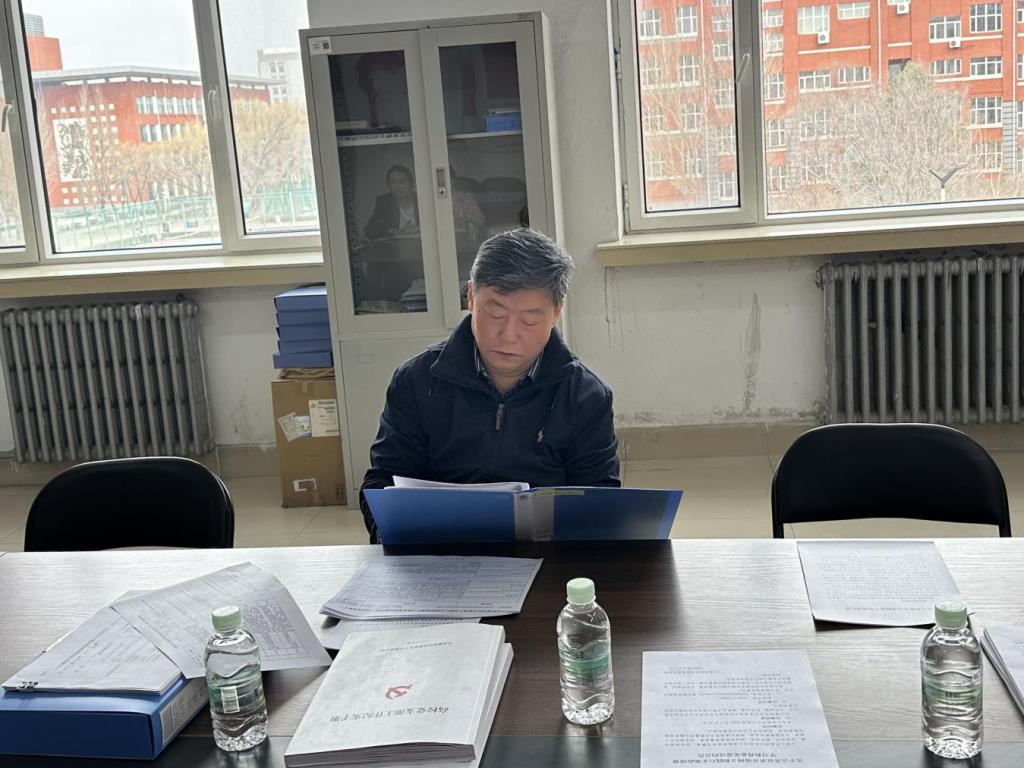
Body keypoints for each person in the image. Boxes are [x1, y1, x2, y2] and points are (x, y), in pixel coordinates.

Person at [359, 228, 621, 541]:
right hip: (439, 554)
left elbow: (600, 500)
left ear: (556, 311)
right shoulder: (416, 382)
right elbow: (383, 482)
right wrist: (392, 535)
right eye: (495, 314)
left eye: (530, 320)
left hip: (547, 556)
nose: (509, 336)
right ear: (471, 297)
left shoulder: (585, 396)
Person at [364, 164, 419, 241]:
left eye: (401, 181)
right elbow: (369, 230)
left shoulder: (420, 198)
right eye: (392, 182)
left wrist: (419, 228)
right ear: (388, 186)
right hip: (397, 245)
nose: (397, 186)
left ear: (411, 183)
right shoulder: (384, 202)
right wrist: (390, 231)